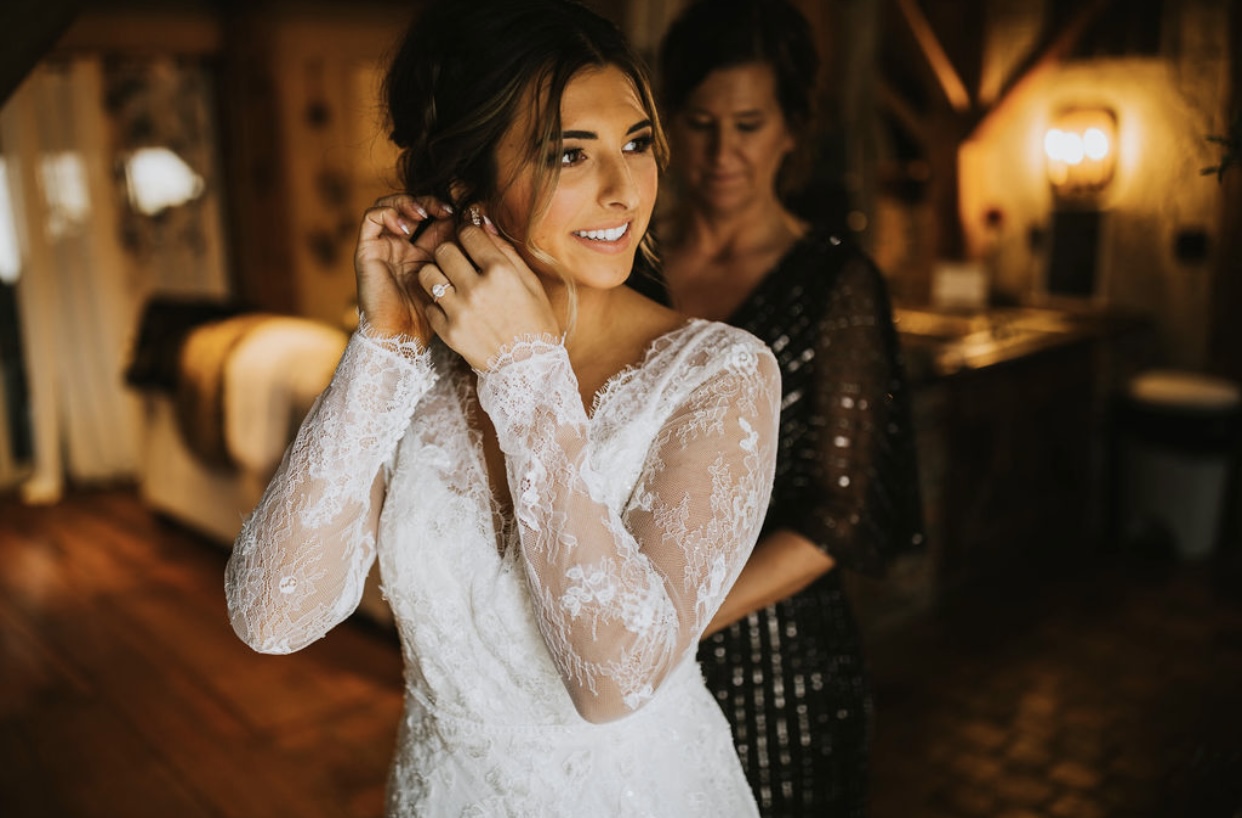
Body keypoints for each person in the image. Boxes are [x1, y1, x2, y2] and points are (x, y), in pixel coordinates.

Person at [223, 0, 780, 815]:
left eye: (635, 144)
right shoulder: (411, 370)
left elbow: (616, 681)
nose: (626, 189)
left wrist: (526, 373)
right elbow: (272, 615)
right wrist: (384, 344)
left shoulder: (719, 375)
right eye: (570, 154)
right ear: (466, 184)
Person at [641, 0, 927, 815]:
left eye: (749, 123)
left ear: (792, 130)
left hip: (778, 661)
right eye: (699, 122)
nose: (722, 151)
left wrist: (667, 625)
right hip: (630, 641)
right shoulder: (631, 264)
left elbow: (840, 514)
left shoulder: (836, 284)